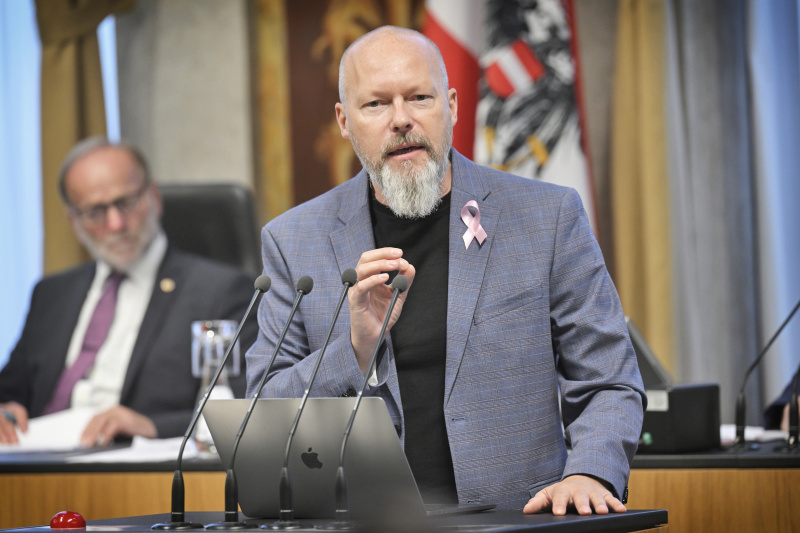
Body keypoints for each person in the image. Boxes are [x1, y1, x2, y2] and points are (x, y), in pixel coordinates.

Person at [245, 26, 645, 515]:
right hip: (365, 524)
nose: (401, 120)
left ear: (451, 106)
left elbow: (609, 380)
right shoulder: (292, 241)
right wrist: (354, 349)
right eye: (376, 104)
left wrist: (589, 472)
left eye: (419, 97)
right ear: (344, 121)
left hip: (516, 521)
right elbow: (261, 416)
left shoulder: (548, 217)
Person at [0, 137, 258, 447]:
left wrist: (150, 426)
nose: (116, 223)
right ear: (73, 221)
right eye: (95, 212)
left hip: (133, 465)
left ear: (154, 197)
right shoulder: (51, 294)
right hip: (36, 461)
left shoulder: (221, 291)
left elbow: (243, 406)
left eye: (127, 203)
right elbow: (10, 390)